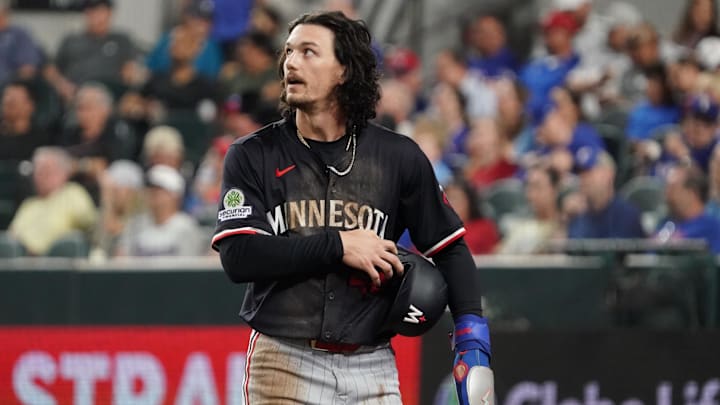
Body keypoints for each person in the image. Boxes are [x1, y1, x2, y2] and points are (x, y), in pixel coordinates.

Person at [212, 11, 492, 404]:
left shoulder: (398, 157)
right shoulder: (252, 154)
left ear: (343, 70)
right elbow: (239, 258)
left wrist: (472, 338)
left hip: (372, 363)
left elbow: (450, 248)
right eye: (289, 52)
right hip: (284, 361)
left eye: (309, 52)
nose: (291, 61)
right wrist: (339, 245)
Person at [8, 147, 97, 255]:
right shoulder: (29, 204)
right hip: (24, 264)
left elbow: (90, 224)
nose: (41, 176)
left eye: (47, 170)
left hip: (60, 264)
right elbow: (12, 236)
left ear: (64, 172)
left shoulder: (73, 193)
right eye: (38, 171)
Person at [46, 0, 140, 103]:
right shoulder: (71, 40)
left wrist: (130, 92)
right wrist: (62, 86)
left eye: (100, 11)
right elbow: (51, 71)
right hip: (75, 96)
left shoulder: (122, 40)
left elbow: (130, 72)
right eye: (92, 11)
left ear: (110, 13)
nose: (95, 16)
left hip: (109, 98)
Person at [116, 164, 204, 257]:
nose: (153, 194)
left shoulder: (186, 227)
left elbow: (190, 265)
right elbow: (122, 260)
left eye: (158, 190)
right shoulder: (135, 225)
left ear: (174, 195)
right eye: (150, 189)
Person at [566, 147, 645, 238]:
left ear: (609, 174)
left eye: (589, 172)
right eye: (580, 173)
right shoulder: (576, 214)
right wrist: (564, 221)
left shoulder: (626, 214)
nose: (583, 179)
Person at [655, 162, 720, 253]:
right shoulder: (665, 223)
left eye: (672, 189)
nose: (667, 195)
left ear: (692, 193)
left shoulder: (712, 228)